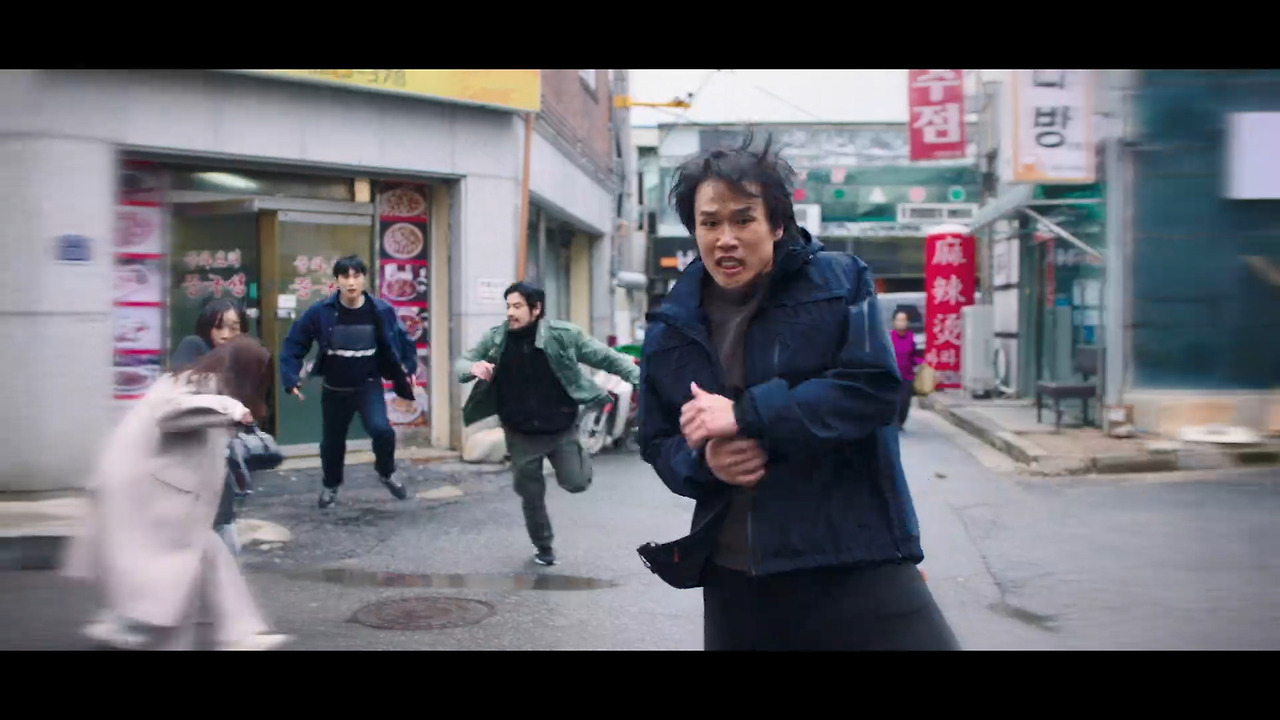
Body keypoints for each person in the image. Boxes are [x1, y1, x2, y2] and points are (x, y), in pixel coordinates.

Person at [636, 132, 959, 651]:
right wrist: (705, 463)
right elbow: (657, 441)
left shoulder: (839, 281)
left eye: (744, 219)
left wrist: (747, 413)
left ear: (777, 224)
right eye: (710, 223)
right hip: (737, 571)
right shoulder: (671, 325)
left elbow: (873, 388)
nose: (726, 238)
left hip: (853, 552)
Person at [62, 336, 291, 650]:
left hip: (153, 489)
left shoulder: (192, 379)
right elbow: (171, 414)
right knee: (175, 577)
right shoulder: (204, 385)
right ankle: (228, 634)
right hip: (155, 494)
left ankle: (235, 633)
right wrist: (232, 409)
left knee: (195, 566)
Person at [455, 281, 640, 566]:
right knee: (530, 494)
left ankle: (578, 455)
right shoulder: (496, 339)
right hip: (519, 432)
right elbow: (462, 364)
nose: (510, 313)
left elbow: (605, 356)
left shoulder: (563, 336)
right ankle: (543, 546)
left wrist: (639, 377)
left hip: (560, 427)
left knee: (577, 483)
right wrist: (473, 368)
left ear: (536, 308)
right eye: (508, 306)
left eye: (517, 306)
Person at [280, 255, 417, 510]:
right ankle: (330, 485)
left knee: (382, 431)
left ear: (364, 279)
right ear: (337, 281)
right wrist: (290, 377)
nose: (351, 282)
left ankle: (386, 471)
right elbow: (294, 343)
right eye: (345, 276)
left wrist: (409, 368)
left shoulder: (381, 310)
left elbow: (403, 339)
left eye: (356, 276)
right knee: (332, 442)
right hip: (335, 388)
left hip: (368, 385)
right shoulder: (320, 312)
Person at [170, 298, 251, 553]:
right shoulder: (194, 345)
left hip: (217, 450)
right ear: (207, 326)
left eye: (234, 327)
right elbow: (181, 385)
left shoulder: (238, 357)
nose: (226, 334)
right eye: (219, 326)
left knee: (223, 519)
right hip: (186, 449)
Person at [891, 309, 925, 429]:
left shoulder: (910, 337)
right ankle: (893, 422)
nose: (901, 323)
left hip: (907, 375)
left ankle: (901, 421)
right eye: (899, 320)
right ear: (894, 322)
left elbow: (914, 355)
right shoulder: (889, 337)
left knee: (905, 401)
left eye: (904, 320)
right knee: (894, 401)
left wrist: (922, 363)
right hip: (892, 376)